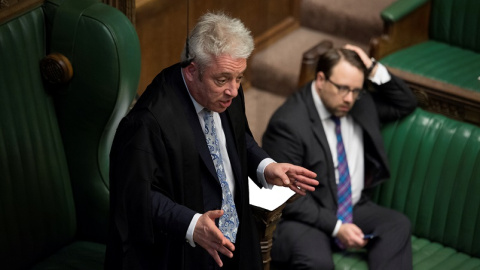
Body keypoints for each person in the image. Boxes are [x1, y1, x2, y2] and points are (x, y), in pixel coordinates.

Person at [105, 12, 318, 270]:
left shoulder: (226, 91)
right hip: (184, 253)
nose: (234, 90)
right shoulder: (148, 122)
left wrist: (265, 166)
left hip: (237, 238)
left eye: (239, 77)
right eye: (223, 80)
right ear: (193, 70)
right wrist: (191, 224)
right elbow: (136, 197)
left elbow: (239, 140)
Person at [262, 44, 417, 270]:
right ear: (321, 79)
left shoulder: (358, 103)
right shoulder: (288, 124)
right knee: (318, 262)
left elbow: (406, 102)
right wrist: (337, 227)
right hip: (303, 216)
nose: (349, 99)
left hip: (351, 205)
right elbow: (285, 195)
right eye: (343, 88)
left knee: (397, 225)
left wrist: (372, 68)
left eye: (356, 90)